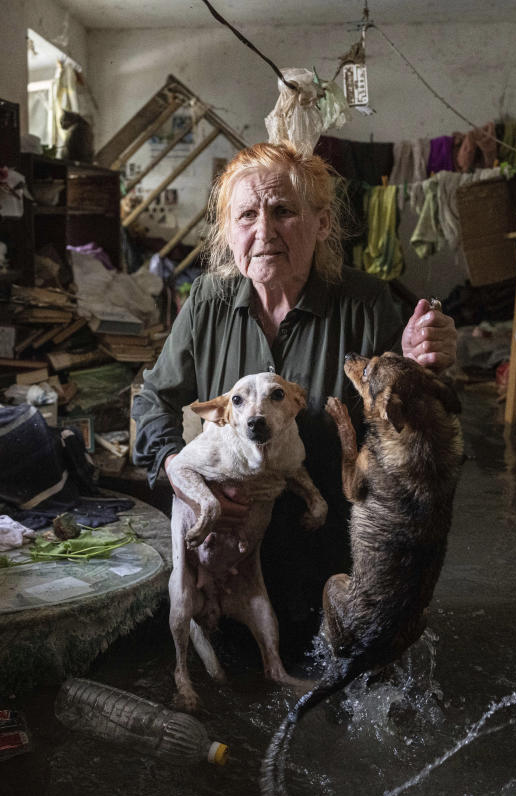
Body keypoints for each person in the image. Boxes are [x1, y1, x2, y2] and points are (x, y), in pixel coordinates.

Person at [132, 140, 457, 654]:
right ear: (228, 231)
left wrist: (421, 363)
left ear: (322, 223)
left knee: (335, 676)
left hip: (329, 556)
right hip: (231, 548)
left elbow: (419, 425)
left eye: (283, 211)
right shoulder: (207, 303)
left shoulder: (367, 303)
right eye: (246, 216)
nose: (264, 232)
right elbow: (155, 399)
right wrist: (177, 472)